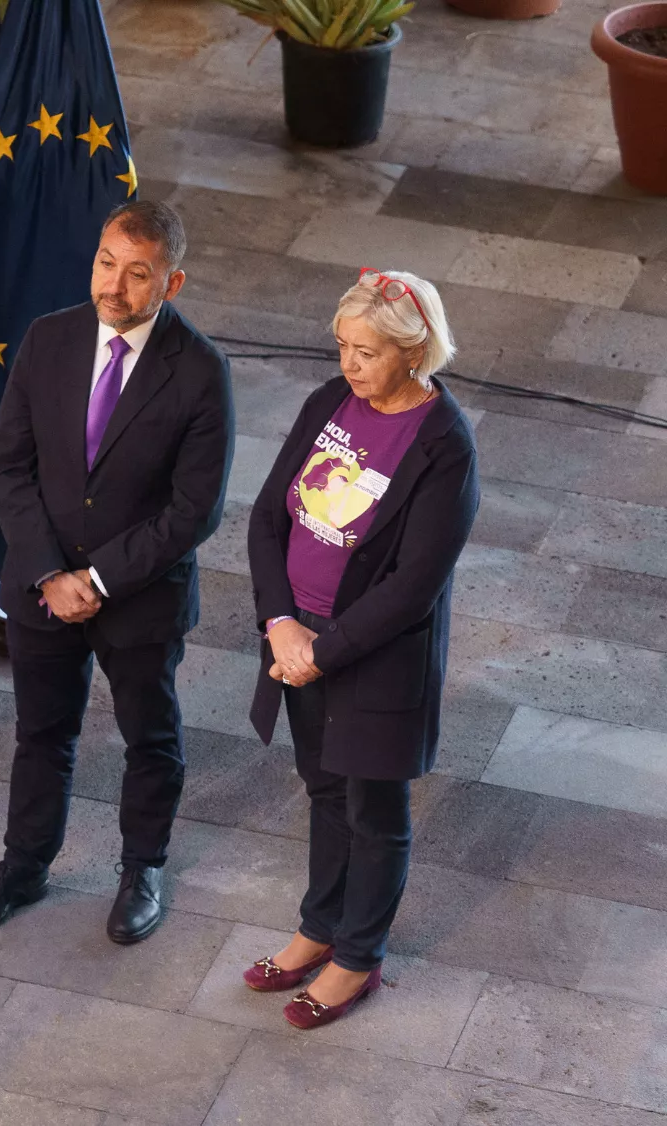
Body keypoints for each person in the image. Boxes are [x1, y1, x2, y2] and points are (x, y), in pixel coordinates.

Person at [0, 201, 234, 946]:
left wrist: (98, 580)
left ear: (171, 283)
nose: (115, 285)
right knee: (41, 733)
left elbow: (193, 511)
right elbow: (8, 466)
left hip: (139, 599)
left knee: (150, 737)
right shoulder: (49, 340)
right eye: (107, 263)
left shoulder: (201, 371)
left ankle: (142, 868)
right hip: (42, 590)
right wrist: (47, 573)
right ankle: (24, 864)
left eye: (137, 274)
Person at [243, 269, 477, 1029]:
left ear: (414, 352)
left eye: (367, 352)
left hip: (373, 658)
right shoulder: (330, 402)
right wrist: (279, 622)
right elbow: (267, 519)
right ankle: (320, 927)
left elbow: (414, 585)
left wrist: (324, 649)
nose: (349, 365)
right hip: (296, 645)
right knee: (321, 788)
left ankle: (357, 958)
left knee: (373, 806)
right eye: (343, 346)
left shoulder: (444, 445)